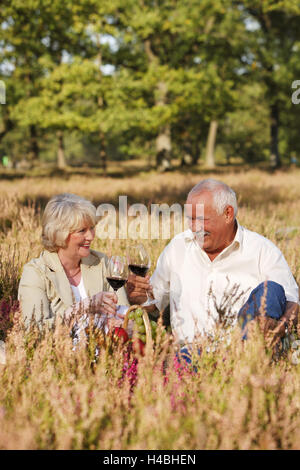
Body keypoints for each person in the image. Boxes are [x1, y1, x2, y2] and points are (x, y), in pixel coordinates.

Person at [127, 179, 299, 351]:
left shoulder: (262, 250)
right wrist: (140, 297)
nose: (195, 228)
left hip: (240, 355)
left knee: (273, 290)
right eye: (190, 219)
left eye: (201, 219)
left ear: (228, 214)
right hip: (189, 355)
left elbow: (292, 302)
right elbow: (154, 303)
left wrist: (280, 327)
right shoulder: (177, 247)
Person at [18, 193, 129, 337]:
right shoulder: (35, 273)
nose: (90, 236)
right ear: (59, 234)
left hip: (108, 354)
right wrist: (83, 307)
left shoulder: (101, 263)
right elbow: (33, 331)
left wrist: (124, 323)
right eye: (82, 230)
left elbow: (125, 313)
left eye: (92, 228)